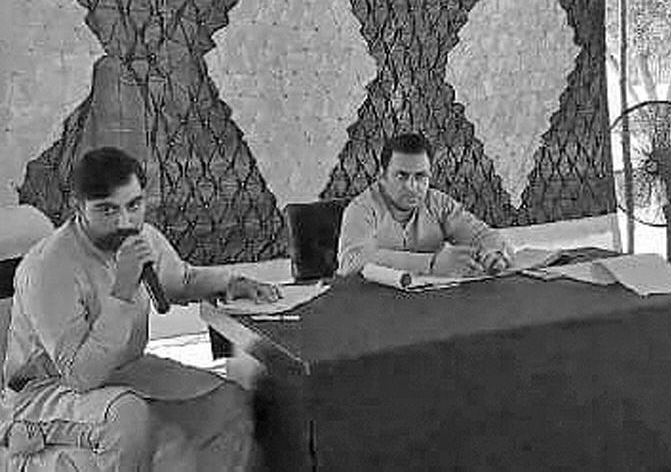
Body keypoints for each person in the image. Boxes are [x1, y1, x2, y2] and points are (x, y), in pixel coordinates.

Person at [1, 147, 279, 470]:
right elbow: (81, 375)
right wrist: (122, 289)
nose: (125, 221)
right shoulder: (48, 268)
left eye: (134, 205)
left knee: (228, 402)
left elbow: (181, 280)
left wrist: (231, 282)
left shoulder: (142, 236)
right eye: (107, 210)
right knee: (128, 416)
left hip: (125, 371)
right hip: (46, 390)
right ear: (79, 208)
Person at [337, 133, 511, 277]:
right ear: (382, 176)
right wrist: (431, 264)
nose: (411, 187)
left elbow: (483, 235)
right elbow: (351, 261)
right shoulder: (361, 208)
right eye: (401, 176)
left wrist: (493, 253)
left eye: (420, 176)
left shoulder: (439, 203)